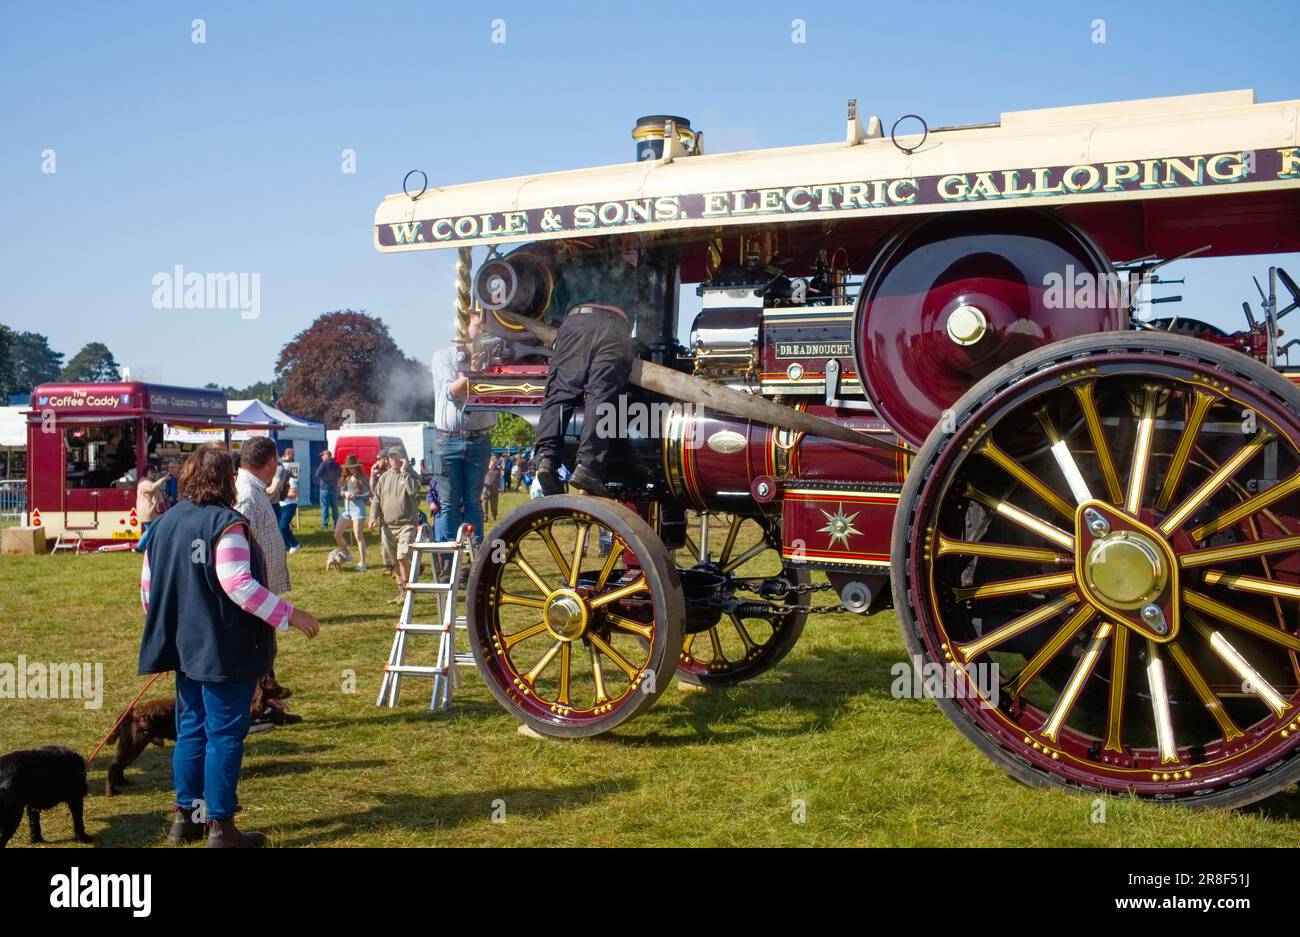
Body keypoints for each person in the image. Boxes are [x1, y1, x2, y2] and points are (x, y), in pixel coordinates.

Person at [137, 443, 320, 848]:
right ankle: (220, 828)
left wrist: (178, 629)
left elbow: (149, 593)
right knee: (223, 734)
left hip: (184, 649)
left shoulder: (163, 525)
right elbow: (238, 584)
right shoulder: (227, 524)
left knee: (191, 730)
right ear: (226, 480)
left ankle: (184, 820)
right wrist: (290, 614)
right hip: (223, 650)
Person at [533, 239, 640, 498]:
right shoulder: (630, 273)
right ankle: (589, 467)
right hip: (616, 330)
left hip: (576, 324)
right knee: (601, 398)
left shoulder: (575, 270)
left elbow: (552, 316)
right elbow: (637, 314)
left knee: (560, 393)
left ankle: (547, 459)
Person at [431, 311, 494, 547]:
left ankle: (474, 558)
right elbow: (453, 391)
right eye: (479, 325)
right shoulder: (444, 356)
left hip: (479, 439)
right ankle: (448, 559)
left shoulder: (493, 362)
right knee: (448, 501)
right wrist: (473, 372)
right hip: (447, 440)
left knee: (473, 501)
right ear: (464, 328)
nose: (485, 331)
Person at [234, 437, 290, 596]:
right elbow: (239, 555)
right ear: (271, 461)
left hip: (261, 593)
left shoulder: (254, 490)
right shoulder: (247, 497)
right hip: (254, 597)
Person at [369, 446, 422, 604]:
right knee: (393, 560)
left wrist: (405, 472)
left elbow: (414, 491)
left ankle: (408, 591)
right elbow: (377, 498)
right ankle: (401, 591)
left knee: (403, 556)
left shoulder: (410, 475)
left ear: (403, 458)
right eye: (390, 457)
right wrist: (373, 516)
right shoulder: (385, 477)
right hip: (387, 526)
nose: (393, 460)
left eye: (396, 457)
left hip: (407, 525)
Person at [335, 455, 369, 570]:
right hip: (346, 509)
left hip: (358, 509)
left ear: (357, 466)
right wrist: (345, 494)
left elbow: (368, 493)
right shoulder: (346, 477)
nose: (351, 469)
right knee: (337, 534)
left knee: (358, 535)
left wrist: (356, 496)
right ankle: (347, 554)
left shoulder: (363, 477)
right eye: (349, 468)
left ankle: (363, 562)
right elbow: (341, 491)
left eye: (353, 467)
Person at [133, 464, 171, 554]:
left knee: (151, 530)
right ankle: (139, 547)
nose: (153, 474)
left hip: (150, 511)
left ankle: (146, 548)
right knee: (151, 531)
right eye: (152, 472)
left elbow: (154, 492)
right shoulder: (144, 482)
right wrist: (163, 479)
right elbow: (152, 489)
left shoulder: (148, 481)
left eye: (154, 472)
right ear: (146, 472)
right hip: (148, 511)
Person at [315, 449, 341, 530]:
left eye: (323, 455)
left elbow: (317, 473)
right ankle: (336, 524)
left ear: (327, 455)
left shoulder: (324, 463)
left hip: (325, 488)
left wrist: (325, 478)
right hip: (334, 488)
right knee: (335, 507)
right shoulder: (336, 463)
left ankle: (324, 525)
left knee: (324, 507)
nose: (322, 457)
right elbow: (340, 473)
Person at [278, 466, 300, 554]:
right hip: (281, 504)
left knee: (283, 526)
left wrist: (280, 494)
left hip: (290, 504)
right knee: (279, 527)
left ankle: (294, 544)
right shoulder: (279, 480)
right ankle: (286, 546)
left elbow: (293, 494)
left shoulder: (291, 480)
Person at [482, 455, 502, 523]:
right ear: (490, 462)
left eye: (495, 462)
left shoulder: (498, 471)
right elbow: (480, 478)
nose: (495, 463)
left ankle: (494, 516)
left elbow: (501, 480)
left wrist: (501, 488)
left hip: (494, 489)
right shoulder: (485, 469)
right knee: (484, 503)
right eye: (493, 462)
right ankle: (485, 516)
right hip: (485, 489)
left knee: (494, 503)